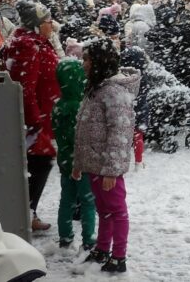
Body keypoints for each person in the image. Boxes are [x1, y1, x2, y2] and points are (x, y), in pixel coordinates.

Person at [72, 38, 139, 274]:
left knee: (117, 211)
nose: (84, 64)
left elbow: (120, 133)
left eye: (88, 59)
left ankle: (119, 256)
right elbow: (84, 129)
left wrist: (111, 169)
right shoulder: (96, 88)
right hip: (94, 163)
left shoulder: (113, 92)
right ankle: (102, 248)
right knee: (104, 209)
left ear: (100, 62)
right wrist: (79, 162)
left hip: (106, 166)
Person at [0, 0, 61, 231]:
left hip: (40, 115)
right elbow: (26, 86)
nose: (51, 24)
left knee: (38, 163)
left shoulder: (34, 41)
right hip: (35, 119)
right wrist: (34, 121)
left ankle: (26, 211)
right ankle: (25, 212)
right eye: (47, 21)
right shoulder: (28, 45)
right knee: (40, 162)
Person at [53, 53, 96, 251]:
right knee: (87, 201)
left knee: (66, 199)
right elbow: (81, 138)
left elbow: (60, 134)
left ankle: (65, 236)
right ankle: (88, 239)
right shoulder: (81, 106)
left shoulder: (58, 106)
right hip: (83, 161)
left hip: (65, 159)